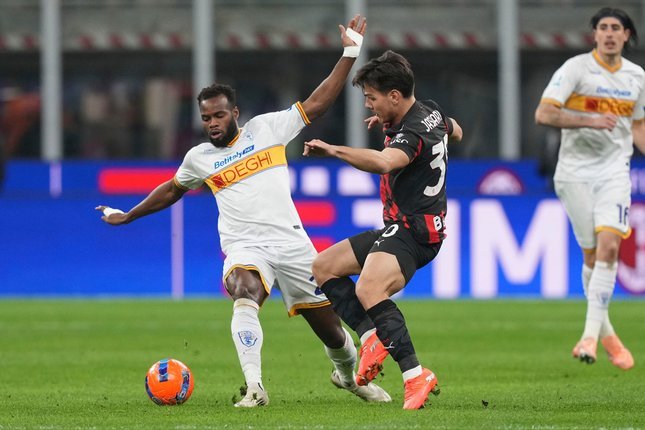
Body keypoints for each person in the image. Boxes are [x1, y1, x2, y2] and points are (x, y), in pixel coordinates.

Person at [96, 15, 392, 407]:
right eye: (206, 118)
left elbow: (317, 103)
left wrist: (350, 53)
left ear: (235, 113)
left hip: (292, 245)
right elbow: (171, 190)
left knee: (332, 332)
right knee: (243, 290)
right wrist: (129, 215)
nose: (212, 124)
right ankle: (255, 387)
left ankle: (348, 377)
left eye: (219, 115)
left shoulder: (267, 129)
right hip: (245, 246)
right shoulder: (199, 158)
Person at [303, 50, 463, 409]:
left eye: (371, 98)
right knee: (324, 266)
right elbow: (456, 130)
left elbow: (384, 162)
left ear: (394, 96)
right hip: (404, 227)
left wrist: (334, 150)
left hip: (414, 231)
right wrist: (392, 123)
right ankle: (371, 336)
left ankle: (415, 375)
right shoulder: (431, 112)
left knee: (369, 288)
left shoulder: (413, 132)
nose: (368, 105)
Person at [535, 7, 645, 370]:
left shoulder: (637, 77)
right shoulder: (576, 69)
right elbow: (544, 114)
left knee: (610, 247)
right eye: (603, 28)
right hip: (574, 174)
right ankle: (608, 334)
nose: (610, 33)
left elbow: (638, 127)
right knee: (593, 258)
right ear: (594, 34)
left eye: (616, 28)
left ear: (627, 35)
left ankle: (588, 337)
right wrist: (589, 120)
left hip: (614, 172)